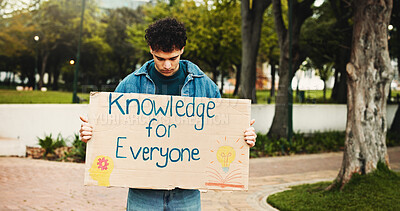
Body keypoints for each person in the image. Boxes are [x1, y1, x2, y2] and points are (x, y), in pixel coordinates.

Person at [79, 17, 257, 211]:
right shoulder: (130, 85)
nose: (167, 65)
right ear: (150, 49)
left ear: (182, 50)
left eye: (173, 58)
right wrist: (92, 132)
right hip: (143, 192)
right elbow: (111, 128)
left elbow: (221, 131)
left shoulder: (204, 86)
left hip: (186, 192)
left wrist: (243, 136)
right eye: (160, 58)